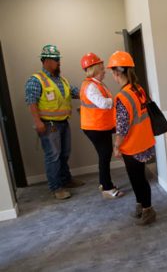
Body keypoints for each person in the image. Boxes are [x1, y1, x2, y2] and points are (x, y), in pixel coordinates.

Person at [25, 44, 84, 200]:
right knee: (53, 156)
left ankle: (66, 180)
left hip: (63, 123)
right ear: (45, 61)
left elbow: (75, 92)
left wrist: (90, 90)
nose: (59, 62)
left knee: (64, 154)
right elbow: (31, 102)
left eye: (59, 59)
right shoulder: (36, 80)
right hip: (49, 125)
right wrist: (37, 122)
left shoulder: (61, 80)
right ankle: (56, 187)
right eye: (56, 59)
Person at [107, 51, 156, 225]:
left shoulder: (122, 96)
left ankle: (147, 209)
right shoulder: (138, 89)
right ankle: (141, 204)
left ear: (117, 73)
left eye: (112, 72)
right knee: (139, 177)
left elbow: (122, 127)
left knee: (137, 179)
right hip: (144, 141)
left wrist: (116, 146)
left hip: (133, 145)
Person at [79, 52, 124, 199]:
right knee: (105, 156)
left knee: (104, 155)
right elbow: (103, 104)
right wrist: (119, 100)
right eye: (102, 67)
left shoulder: (96, 84)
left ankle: (104, 183)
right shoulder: (90, 86)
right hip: (95, 128)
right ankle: (107, 188)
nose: (104, 70)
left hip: (99, 126)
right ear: (95, 68)